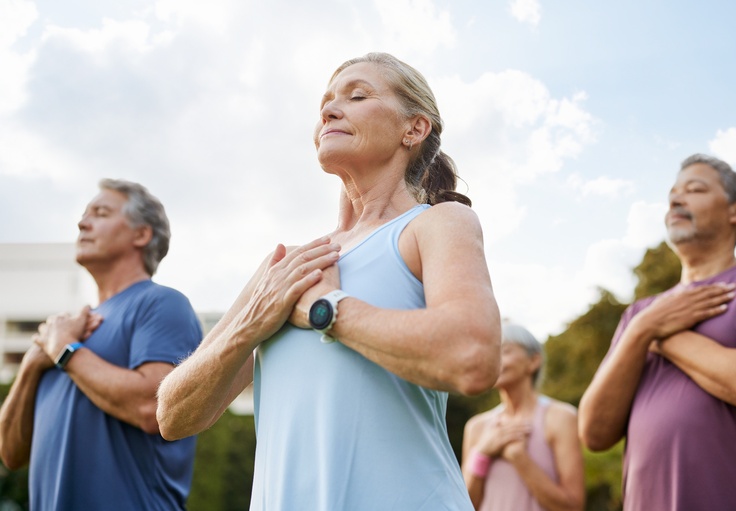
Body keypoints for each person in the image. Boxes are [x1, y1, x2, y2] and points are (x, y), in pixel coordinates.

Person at [156, 52, 501, 510]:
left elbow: (472, 356)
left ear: (413, 129)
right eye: (325, 102)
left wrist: (328, 310)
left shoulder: (437, 225)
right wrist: (251, 326)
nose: (329, 110)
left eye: (357, 95)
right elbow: (173, 414)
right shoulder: (285, 267)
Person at [578, 154, 736, 510]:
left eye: (694, 190)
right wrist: (642, 329)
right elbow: (594, 432)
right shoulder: (639, 315)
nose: (676, 200)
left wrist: (661, 334)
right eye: (672, 194)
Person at [0, 179, 203, 510]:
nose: (82, 223)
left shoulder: (162, 304)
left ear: (141, 235)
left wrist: (65, 351)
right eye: (84, 214)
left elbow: (152, 409)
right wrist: (31, 364)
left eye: (101, 212)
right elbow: (10, 452)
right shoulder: (64, 331)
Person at [462, 321, 584, 511]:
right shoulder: (476, 427)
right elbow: (465, 505)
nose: (494, 359)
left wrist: (519, 457)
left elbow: (572, 507)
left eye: (506, 351)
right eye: (491, 352)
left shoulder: (561, 417)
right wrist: (483, 453)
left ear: (533, 361)